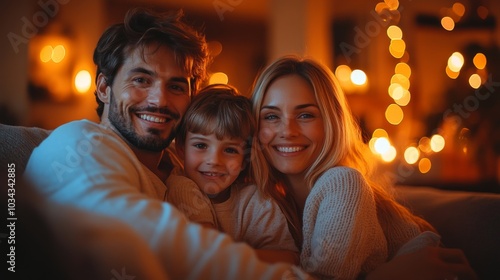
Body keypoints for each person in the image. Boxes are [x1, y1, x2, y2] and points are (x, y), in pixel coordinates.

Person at [22, 7, 476, 280]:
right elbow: (157, 247)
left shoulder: (189, 175)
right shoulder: (80, 144)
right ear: (102, 86)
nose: (160, 98)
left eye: (177, 85)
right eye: (140, 80)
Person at [249, 55, 476, 279]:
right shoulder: (264, 201)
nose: (288, 131)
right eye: (271, 116)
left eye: (306, 115)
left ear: (332, 124)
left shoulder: (342, 183)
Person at [167, 84, 299, 264]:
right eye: (201, 145)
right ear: (181, 148)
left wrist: (233, 256)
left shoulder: (255, 200)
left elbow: (289, 258)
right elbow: (207, 251)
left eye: (230, 150)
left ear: (244, 160)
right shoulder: (179, 187)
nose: (214, 160)